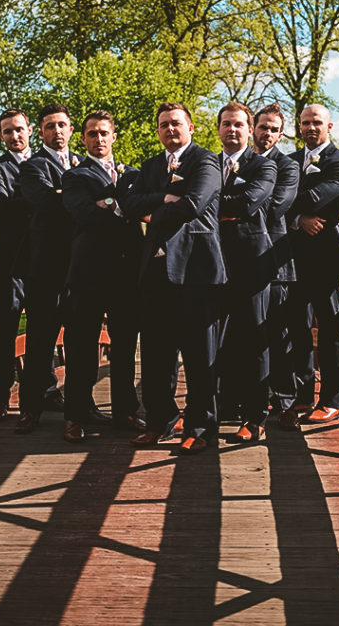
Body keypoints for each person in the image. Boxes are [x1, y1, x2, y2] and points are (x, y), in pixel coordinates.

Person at [119, 102, 226, 454]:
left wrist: (155, 210)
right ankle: (159, 421)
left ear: (191, 127)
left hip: (195, 272)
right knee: (154, 354)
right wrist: (163, 196)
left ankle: (199, 426)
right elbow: (130, 204)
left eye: (176, 124)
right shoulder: (150, 166)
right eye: (163, 124)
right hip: (154, 272)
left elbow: (195, 204)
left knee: (198, 355)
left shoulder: (206, 161)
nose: (170, 130)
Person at [60, 110, 144, 441]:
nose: (99, 139)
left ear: (114, 137)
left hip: (126, 271)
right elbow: (83, 213)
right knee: (81, 344)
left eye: (104, 133)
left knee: (124, 345)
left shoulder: (133, 174)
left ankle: (124, 411)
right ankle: (75, 415)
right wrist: (122, 206)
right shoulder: (75, 177)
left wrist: (110, 203)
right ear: (83, 139)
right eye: (92, 133)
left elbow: (137, 204)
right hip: (88, 271)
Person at [14, 103, 84, 434]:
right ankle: (30, 410)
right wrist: (80, 199)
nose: (57, 130)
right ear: (40, 132)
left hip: (81, 267)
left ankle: (80, 408)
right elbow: (42, 200)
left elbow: (105, 199)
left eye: (62, 125)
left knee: (81, 341)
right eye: (49, 126)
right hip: (45, 269)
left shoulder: (85, 163)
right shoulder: (32, 167)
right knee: (40, 341)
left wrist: (67, 196)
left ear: (72, 130)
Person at [287, 103, 339, 423]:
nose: (310, 127)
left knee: (330, 328)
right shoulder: (288, 161)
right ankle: (302, 395)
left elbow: (319, 198)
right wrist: (298, 218)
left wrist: (287, 201)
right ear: (298, 127)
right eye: (305, 123)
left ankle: (332, 399)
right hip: (288, 258)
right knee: (297, 328)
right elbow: (281, 202)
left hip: (323, 258)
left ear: (329, 127)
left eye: (317, 122)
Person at [217, 102, 277, 443]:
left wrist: (213, 205)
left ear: (250, 128)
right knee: (218, 338)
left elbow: (249, 202)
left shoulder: (263, 166)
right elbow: (196, 199)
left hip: (252, 262)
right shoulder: (209, 163)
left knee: (254, 338)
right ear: (218, 128)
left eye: (239, 124)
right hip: (214, 262)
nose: (232, 130)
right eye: (226, 124)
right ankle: (221, 406)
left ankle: (256, 418)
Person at [251, 102, 301, 429]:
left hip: (275, 264)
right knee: (242, 335)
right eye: (263, 126)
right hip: (238, 261)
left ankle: (285, 403)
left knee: (278, 334)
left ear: (280, 134)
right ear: (253, 127)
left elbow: (279, 205)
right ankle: (243, 399)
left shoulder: (288, 167)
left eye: (273, 129)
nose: (267, 133)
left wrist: (242, 199)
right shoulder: (238, 160)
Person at [0, 109, 34, 420]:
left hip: (44, 260)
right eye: (7, 132)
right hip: (9, 263)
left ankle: (47, 388)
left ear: (29, 129)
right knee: (4, 331)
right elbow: (1, 204)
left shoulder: (48, 162)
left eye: (18, 129)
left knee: (46, 329)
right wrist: (47, 198)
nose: (14, 136)